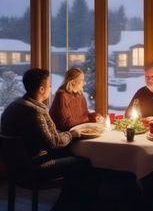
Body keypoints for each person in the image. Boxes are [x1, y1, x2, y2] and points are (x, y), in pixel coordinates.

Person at [0, 68, 95, 211]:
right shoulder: (35, 111)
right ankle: (68, 206)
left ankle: (67, 203)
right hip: (33, 167)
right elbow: (53, 143)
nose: (51, 86)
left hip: (16, 166)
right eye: (49, 84)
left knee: (71, 153)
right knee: (84, 162)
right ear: (42, 89)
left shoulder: (16, 105)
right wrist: (73, 134)